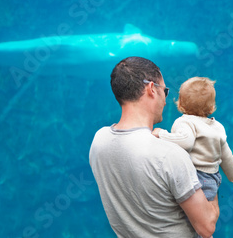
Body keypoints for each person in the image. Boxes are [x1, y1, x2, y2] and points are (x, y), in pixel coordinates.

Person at [89, 57, 219, 238]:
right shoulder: (169, 154)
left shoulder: (99, 141)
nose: (166, 100)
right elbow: (207, 227)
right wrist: (210, 163)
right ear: (151, 89)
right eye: (165, 91)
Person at [152, 77, 233, 206]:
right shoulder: (218, 127)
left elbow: (185, 142)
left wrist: (160, 134)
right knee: (202, 212)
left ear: (180, 104)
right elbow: (226, 156)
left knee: (184, 212)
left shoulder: (185, 122)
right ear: (211, 108)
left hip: (194, 176)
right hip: (213, 179)